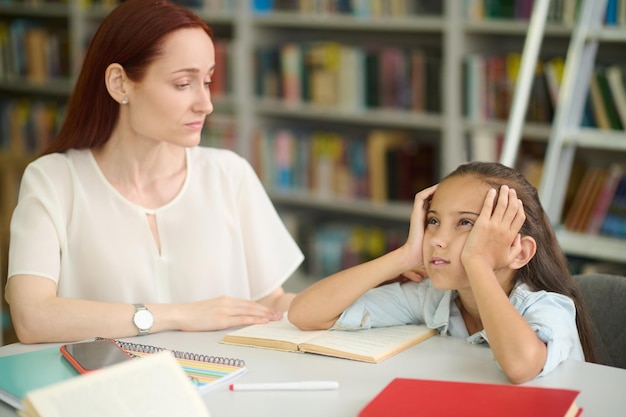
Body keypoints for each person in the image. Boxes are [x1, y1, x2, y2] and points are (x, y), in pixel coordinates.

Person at [5, 0, 303, 344]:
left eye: (206, 81)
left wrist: (344, 311)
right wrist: (181, 314)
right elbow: (32, 317)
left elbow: (269, 303)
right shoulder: (53, 181)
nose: (205, 103)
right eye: (182, 84)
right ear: (120, 83)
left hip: (223, 388)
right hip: (110, 392)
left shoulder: (229, 174)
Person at [288, 161, 597, 384]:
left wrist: (477, 260)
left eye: (466, 223)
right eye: (434, 220)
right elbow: (305, 314)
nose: (437, 238)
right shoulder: (435, 299)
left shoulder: (548, 307)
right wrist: (404, 256)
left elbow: (520, 367)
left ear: (520, 252)